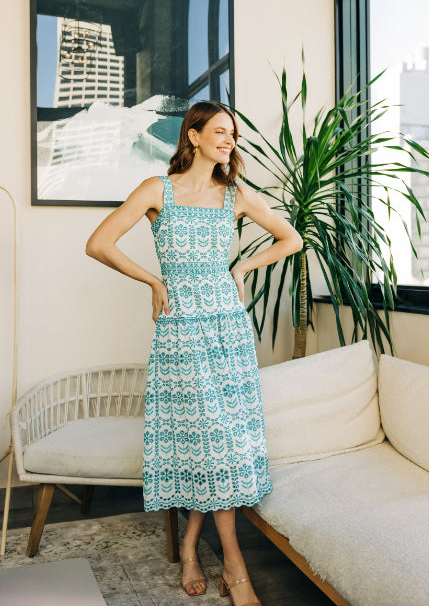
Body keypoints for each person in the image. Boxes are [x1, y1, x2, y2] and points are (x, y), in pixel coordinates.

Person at [85, 101, 303, 606]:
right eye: (221, 131)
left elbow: (290, 239)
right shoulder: (156, 190)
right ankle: (235, 565)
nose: (230, 140)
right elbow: (99, 243)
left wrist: (243, 268)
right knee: (209, 440)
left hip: (229, 329)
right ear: (194, 136)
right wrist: (153, 280)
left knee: (219, 443)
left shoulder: (235, 195)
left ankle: (189, 546)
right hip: (182, 331)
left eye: (234, 134)